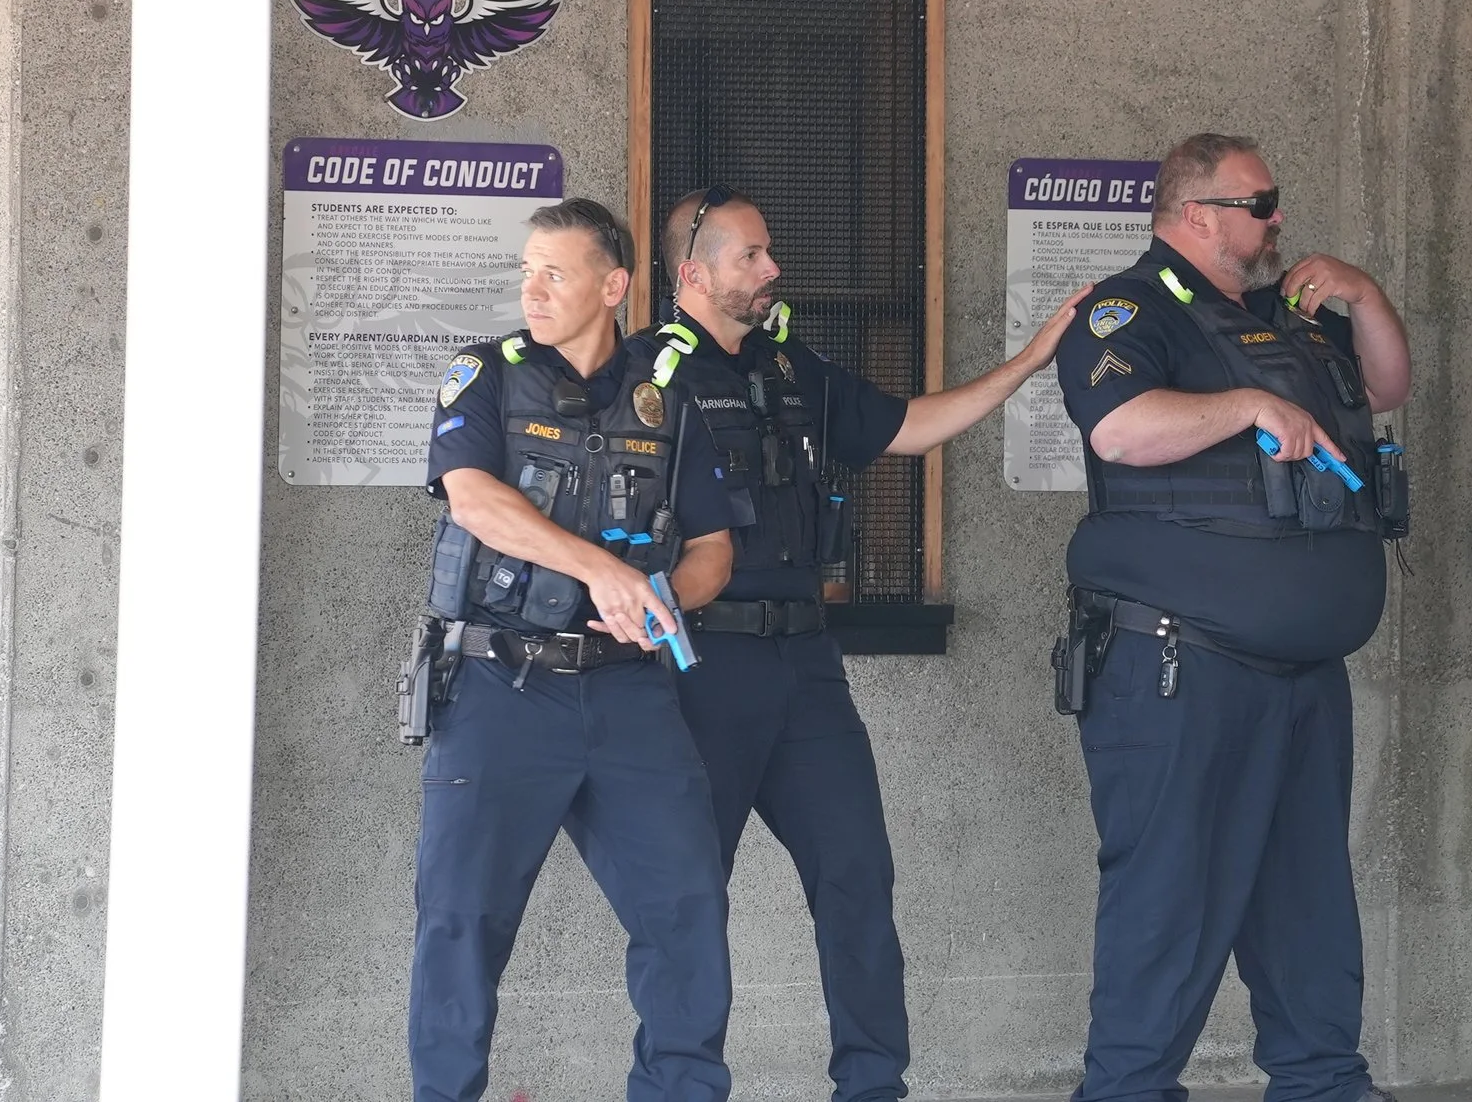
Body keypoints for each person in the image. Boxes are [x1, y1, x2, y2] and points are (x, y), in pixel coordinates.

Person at [645, 184, 1083, 1102]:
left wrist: (1036, 357)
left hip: (806, 667)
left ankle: (873, 1085)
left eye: (770, 253)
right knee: (686, 902)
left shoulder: (792, 368)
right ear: (693, 273)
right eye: (751, 256)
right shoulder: (646, 379)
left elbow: (913, 427)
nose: (773, 269)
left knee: (857, 879)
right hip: (701, 669)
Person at [1050, 132, 1413, 1102]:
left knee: (1307, 898)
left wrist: (1364, 296)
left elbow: (1384, 387)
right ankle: (1125, 1089)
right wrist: (1246, 403)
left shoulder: (1278, 317)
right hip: (1179, 664)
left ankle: (1323, 1081)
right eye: (1260, 202)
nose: (1276, 219)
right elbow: (1120, 426)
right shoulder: (1128, 308)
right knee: (1169, 894)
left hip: (1299, 670)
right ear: (1196, 211)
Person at [409, 197, 737, 1102]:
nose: (534, 289)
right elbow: (474, 498)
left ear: (615, 285)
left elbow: (713, 547)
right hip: (497, 690)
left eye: (556, 271)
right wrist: (603, 571)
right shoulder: (483, 376)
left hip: (630, 695)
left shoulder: (666, 396)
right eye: (528, 271)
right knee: (460, 926)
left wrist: (667, 597)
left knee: (688, 915)